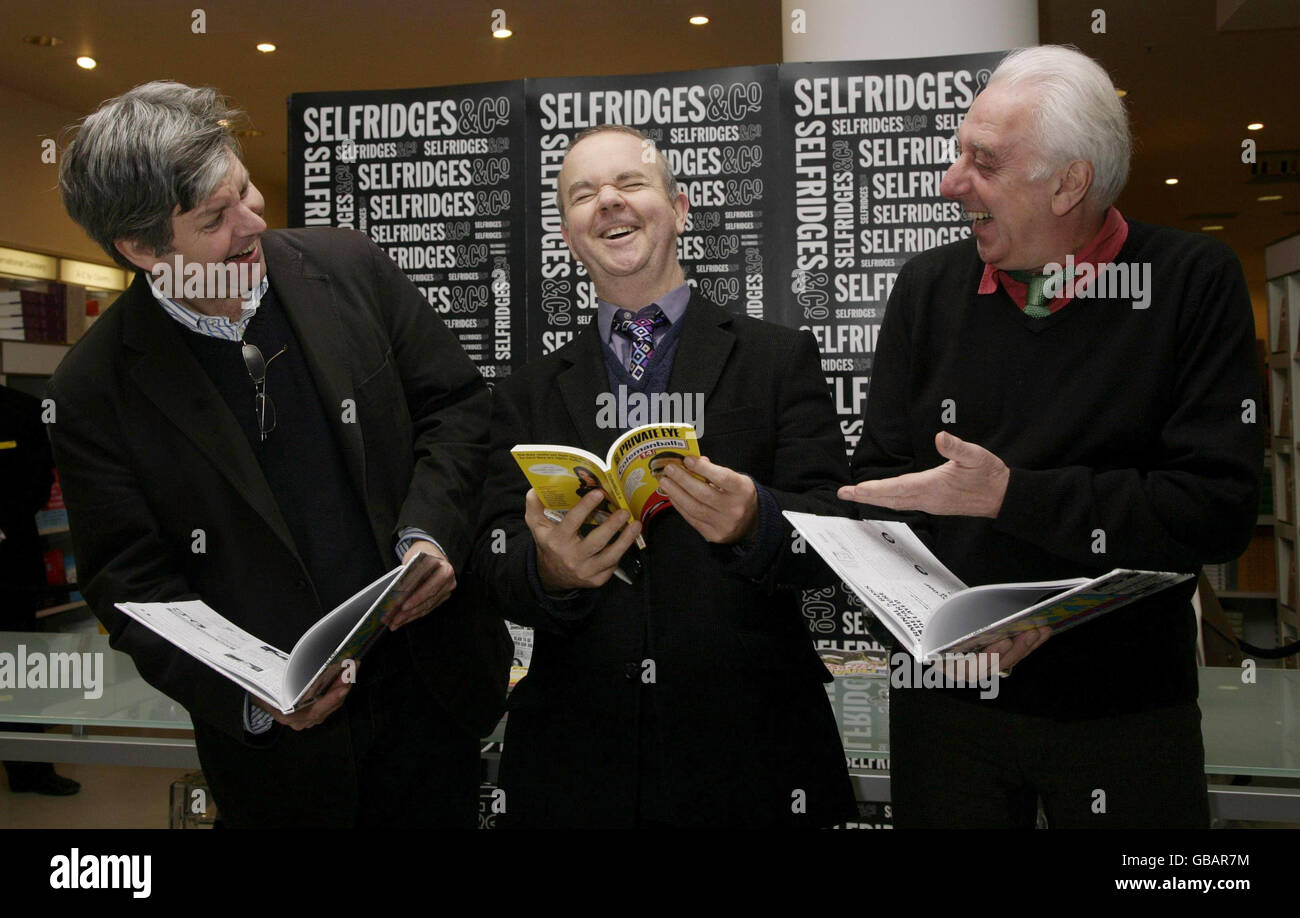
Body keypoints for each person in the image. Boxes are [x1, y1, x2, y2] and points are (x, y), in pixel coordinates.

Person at [49, 82, 511, 827]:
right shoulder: (94, 389)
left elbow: (455, 407)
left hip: (434, 699)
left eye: (244, 189)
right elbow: (130, 584)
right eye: (215, 217)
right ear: (141, 250)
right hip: (280, 763)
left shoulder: (348, 266)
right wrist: (249, 696)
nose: (253, 218)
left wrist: (431, 531)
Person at [840, 45, 1262, 828]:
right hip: (947, 713)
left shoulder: (1190, 282)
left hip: (1126, 719)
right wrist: (932, 632)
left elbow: (1215, 509)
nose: (951, 182)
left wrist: (1010, 497)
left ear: (1070, 182)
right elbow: (879, 493)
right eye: (959, 151)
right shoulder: (928, 288)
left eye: (985, 163)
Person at [471, 124, 856, 828]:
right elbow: (492, 556)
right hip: (575, 770)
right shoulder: (524, 393)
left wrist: (756, 522)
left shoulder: (777, 360)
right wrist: (549, 571)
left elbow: (839, 533)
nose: (608, 202)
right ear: (567, 234)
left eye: (631, 183)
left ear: (678, 210)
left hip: (753, 763)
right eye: (584, 194)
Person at [0, 383, 80, 796]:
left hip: (9, 561)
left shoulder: (20, 409)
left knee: (17, 667)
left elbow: (34, 480)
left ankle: (29, 770)